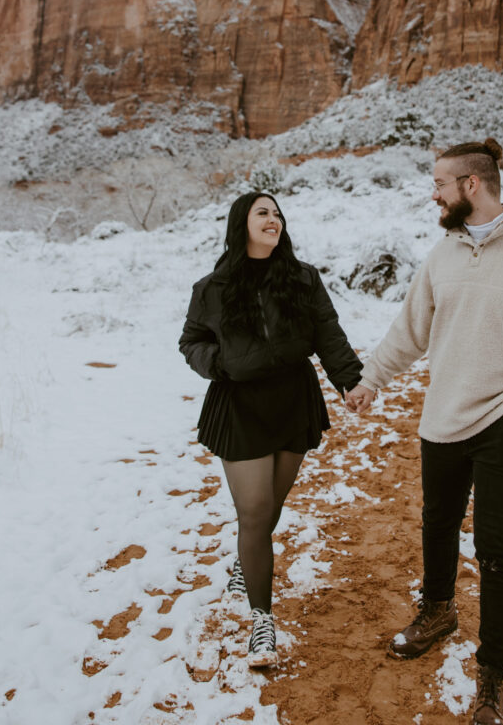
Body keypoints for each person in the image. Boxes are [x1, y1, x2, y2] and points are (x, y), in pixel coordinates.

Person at [346, 138, 503, 725]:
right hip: (443, 418)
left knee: (497, 548)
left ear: (471, 186)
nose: (432, 193)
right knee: (437, 523)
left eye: (439, 183)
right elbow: (410, 331)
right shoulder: (442, 256)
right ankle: (437, 612)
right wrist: (371, 380)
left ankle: (493, 669)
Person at [179, 192, 363, 668]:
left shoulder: (302, 279)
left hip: (291, 400)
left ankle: (247, 558)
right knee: (257, 511)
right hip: (239, 404)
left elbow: (327, 332)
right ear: (242, 223)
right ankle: (263, 619)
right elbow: (191, 340)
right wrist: (218, 363)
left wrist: (351, 381)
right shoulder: (213, 287)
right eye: (263, 212)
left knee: (270, 506)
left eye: (278, 213)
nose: (273, 219)